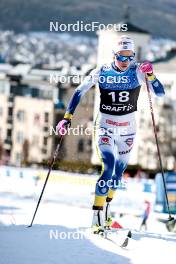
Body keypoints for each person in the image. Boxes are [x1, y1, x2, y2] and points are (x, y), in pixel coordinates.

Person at [56, 35, 165, 234]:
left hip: (128, 129)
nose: (125, 62)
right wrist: (67, 117)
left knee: (117, 176)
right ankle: (96, 218)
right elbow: (79, 91)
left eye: (129, 57)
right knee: (108, 168)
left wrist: (151, 76)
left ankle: (106, 211)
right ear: (114, 55)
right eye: (121, 57)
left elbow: (160, 93)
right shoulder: (102, 72)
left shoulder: (138, 72)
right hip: (106, 125)